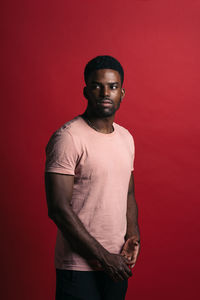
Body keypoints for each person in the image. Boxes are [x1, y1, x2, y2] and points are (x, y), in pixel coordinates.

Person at [45, 55, 140, 300]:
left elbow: (127, 192)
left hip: (117, 264)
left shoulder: (126, 138)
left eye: (113, 86)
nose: (105, 92)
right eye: (97, 86)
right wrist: (103, 257)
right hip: (78, 267)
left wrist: (133, 236)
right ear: (86, 91)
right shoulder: (68, 138)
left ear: (123, 93)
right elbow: (58, 208)